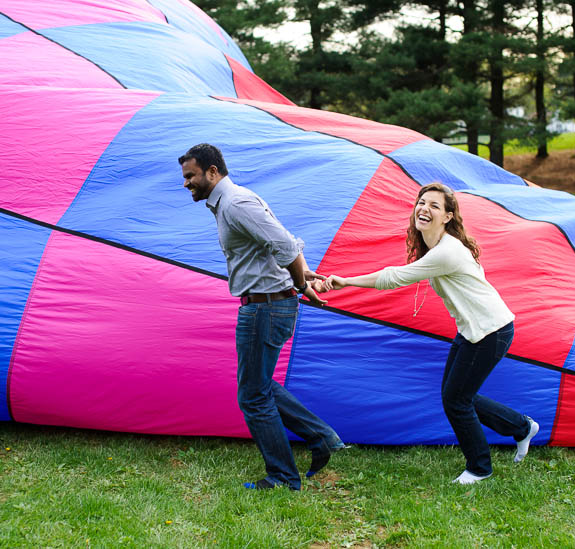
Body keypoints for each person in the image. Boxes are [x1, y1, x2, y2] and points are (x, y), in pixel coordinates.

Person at [322, 182, 538, 485]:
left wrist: (345, 282)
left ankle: (479, 467)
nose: (424, 209)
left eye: (434, 206)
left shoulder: (447, 251)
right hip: (474, 331)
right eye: (421, 203)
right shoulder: (439, 247)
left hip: (491, 331)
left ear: (447, 216)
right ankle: (521, 427)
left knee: (456, 400)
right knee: (457, 396)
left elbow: (394, 277)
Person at [179, 143, 346, 490]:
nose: (186, 183)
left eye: (190, 176)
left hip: (265, 307)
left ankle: (284, 477)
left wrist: (300, 283)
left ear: (212, 171)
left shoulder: (236, 204)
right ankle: (322, 437)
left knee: (252, 396)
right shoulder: (229, 203)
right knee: (259, 384)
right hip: (267, 303)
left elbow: (285, 245)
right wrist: (300, 279)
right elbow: (276, 248)